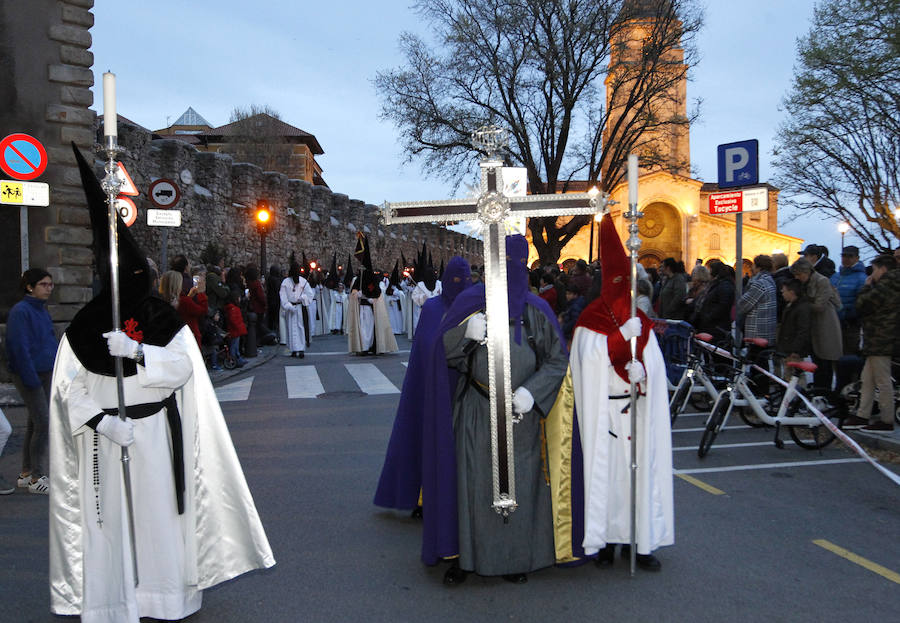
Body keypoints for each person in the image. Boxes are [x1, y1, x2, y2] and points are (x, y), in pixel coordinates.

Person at [48, 147, 274, 623]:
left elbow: (182, 370)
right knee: (110, 520)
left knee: (158, 518)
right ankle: (115, 600)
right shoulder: (83, 327)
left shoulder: (160, 317)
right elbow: (68, 388)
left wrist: (138, 353)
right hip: (107, 436)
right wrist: (101, 423)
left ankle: (165, 597)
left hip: (154, 432)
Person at [424, 235, 573, 584]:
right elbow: (441, 355)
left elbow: (556, 359)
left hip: (521, 415)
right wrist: (465, 334)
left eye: (516, 264)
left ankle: (513, 557)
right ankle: (464, 555)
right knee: (472, 484)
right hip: (477, 406)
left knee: (519, 486)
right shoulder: (470, 303)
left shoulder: (537, 310)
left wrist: (531, 393)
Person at [570, 213, 674, 571]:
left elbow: (656, 367)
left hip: (637, 411)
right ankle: (606, 541)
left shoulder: (640, 320)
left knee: (639, 476)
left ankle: (641, 543)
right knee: (608, 478)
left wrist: (642, 371)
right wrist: (617, 340)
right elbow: (588, 361)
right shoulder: (590, 320)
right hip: (605, 413)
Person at [374, 257, 471, 516]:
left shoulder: (473, 308)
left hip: (465, 389)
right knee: (428, 440)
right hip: (432, 387)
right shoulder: (432, 308)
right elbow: (426, 346)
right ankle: (423, 497)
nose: (459, 286)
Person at [5, 268, 58, 494]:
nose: (49, 288)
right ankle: (37, 476)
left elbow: (48, 340)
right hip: (30, 373)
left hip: (44, 371)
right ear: (30, 287)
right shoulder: (21, 311)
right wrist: (30, 378)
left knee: (34, 423)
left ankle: (27, 473)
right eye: (44, 284)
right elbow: (19, 347)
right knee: (43, 422)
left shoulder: (40, 310)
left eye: (50, 284)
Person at [842, 255, 899, 433]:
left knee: (882, 380)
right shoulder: (893, 284)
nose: (872, 274)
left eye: (874, 270)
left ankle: (886, 419)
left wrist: (866, 287)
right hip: (880, 337)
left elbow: (862, 304)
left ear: (882, 269)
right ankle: (862, 414)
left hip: (880, 338)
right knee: (868, 379)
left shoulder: (886, 285)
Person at [790, 258, 842, 390]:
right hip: (814, 326)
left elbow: (819, 306)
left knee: (825, 362)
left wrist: (800, 305)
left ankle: (824, 392)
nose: (797, 277)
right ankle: (819, 390)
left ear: (806, 271)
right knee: (817, 361)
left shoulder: (822, 281)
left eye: (798, 274)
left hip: (825, 326)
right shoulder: (805, 283)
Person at [830, 245, 867, 390]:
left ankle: (850, 389)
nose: (846, 259)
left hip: (850, 325)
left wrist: (849, 315)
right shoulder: (836, 276)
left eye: (850, 256)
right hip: (834, 323)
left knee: (849, 358)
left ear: (857, 258)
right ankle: (838, 387)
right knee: (835, 357)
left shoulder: (861, 278)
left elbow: (861, 302)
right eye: (844, 256)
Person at [736, 255, 777, 345]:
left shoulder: (759, 284)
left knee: (754, 356)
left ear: (759, 267)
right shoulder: (770, 281)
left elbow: (743, 305)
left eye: (753, 265)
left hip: (757, 330)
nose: (751, 268)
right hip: (766, 329)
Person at [776, 279, 812, 377]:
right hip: (788, 347)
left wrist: (796, 350)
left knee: (794, 375)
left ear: (791, 292)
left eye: (784, 291)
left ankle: (796, 392)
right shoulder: (791, 305)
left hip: (793, 350)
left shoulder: (802, 308)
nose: (782, 293)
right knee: (789, 375)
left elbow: (803, 331)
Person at [280, 261, 313, 358]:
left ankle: (301, 348)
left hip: (300, 308)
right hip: (291, 308)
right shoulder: (285, 282)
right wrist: (288, 306)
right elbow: (283, 296)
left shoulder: (303, 281)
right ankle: (293, 349)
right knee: (290, 328)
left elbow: (310, 294)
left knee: (300, 328)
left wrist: (303, 298)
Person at [224, 290, 249, 367]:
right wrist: (240, 327)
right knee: (234, 346)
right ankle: (235, 359)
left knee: (234, 345)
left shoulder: (232, 308)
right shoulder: (233, 309)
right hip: (235, 330)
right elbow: (234, 320)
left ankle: (236, 359)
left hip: (235, 330)